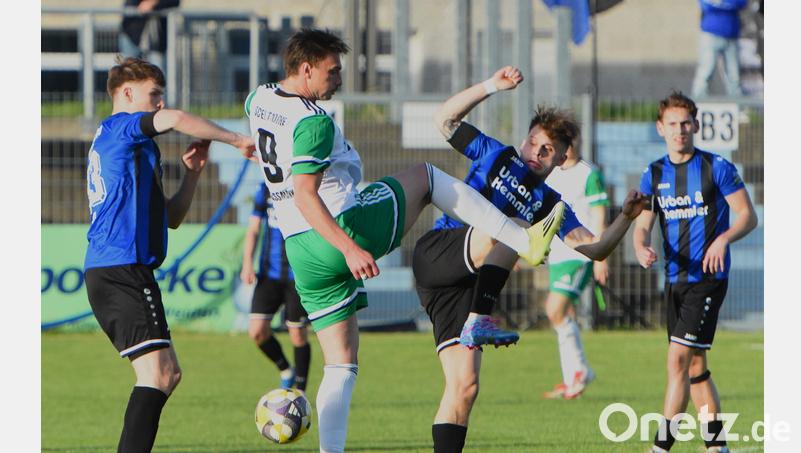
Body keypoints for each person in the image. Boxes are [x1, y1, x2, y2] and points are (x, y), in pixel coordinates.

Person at [244, 29, 567, 453]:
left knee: (340, 364)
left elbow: (271, 154)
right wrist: (349, 246)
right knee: (427, 177)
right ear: (306, 69)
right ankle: (521, 238)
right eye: (332, 70)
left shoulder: (258, 99)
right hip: (340, 227)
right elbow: (307, 194)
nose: (338, 79)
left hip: (300, 252)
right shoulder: (314, 122)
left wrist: (234, 140)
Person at [414, 65, 649, 453]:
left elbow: (596, 248)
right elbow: (444, 119)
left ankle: (477, 321)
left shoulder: (552, 204)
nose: (536, 154)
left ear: (561, 159)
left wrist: (626, 216)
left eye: (548, 151)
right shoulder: (494, 155)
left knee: (465, 387)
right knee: (516, 225)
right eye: (533, 144)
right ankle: (480, 320)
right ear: (524, 140)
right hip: (440, 252)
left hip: (466, 288)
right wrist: (491, 86)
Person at [83, 56, 254, 453]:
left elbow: (172, 218)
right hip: (120, 268)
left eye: (161, 96)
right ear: (126, 93)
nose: (160, 103)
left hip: (122, 269)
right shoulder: (122, 128)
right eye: (153, 94)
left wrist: (192, 173)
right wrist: (236, 140)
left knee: (167, 374)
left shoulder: (137, 151)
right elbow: (176, 118)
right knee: (158, 374)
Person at [633, 91, 757, 453]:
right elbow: (643, 224)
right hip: (675, 279)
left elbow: (748, 215)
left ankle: (660, 447)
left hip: (708, 278)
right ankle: (717, 446)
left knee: (678, 359)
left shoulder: (715, 167)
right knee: (695, 365)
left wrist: (723, 240)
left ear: (696, 126)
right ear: (661, 128)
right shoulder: (653, 173)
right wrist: (641, 245)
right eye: (672, 124)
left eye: (686, 123)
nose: (680, 130)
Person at [540, 134, 610, 400]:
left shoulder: (589, 174)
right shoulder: (552, 174)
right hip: (557, 254)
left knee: (553, 309)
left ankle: (580, 371)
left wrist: (601, 255)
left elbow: (600, 214)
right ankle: (573, 377)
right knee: (563, 314)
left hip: (580, 254)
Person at [240, 182, 311, 392]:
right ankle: (286, 370)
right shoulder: (265, 188)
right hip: (268, 274)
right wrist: (247, 263)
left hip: (297, 276)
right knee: (257, 331)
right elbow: (254, 228)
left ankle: (300, 391)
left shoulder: (304, 183)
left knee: (297, 334)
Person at [691, 0, 747, 98]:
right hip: (711, 33)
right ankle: (698, 103)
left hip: (731, 34)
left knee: (734, 75)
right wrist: (728, 5)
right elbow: (706, 5)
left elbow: (741, 3)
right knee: (706, 71)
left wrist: (721, 3)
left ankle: (738, 107)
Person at [119, 0, 180, 72]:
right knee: (129, 74)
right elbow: (131, 4)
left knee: (157, 75)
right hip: (131, 33)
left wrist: (153, 2)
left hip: (157, 38)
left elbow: (175, 2)